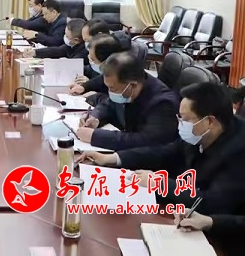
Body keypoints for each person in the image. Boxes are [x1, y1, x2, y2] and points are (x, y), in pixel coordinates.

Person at [79, 82, 245, 218]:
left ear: (210, 122)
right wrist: (114, 158)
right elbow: (166, 152)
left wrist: (159, 183)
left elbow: (212, 203)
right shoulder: (200, 131)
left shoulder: (239, 151)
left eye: (185, 119)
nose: (180, 123)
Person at [75, 52, 178, 151]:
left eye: (113, 89)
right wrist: (95, 117)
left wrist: (96, 137)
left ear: (132, 85)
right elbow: (109, 104)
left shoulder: (163, 103)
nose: (110, 92)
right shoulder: (125, 87)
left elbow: (145, 140)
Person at [23, 19, 88, 64]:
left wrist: (50, 63)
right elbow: (58, 50)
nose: (64, 37)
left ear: (76, 40)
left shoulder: (84, 52)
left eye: (67, 36)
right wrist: (34, 52)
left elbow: (71, 65)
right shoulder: (72, 44)